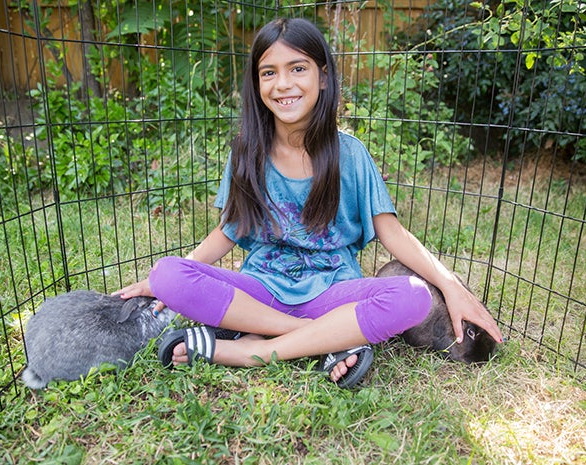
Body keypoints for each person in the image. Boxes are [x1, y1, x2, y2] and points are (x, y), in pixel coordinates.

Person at [115, 17, 503, 388]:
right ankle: (321, 340)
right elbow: (227, 230)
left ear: (323, 75)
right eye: (269, 72)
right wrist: (159, 282)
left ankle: (254, 349)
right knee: (169, 274)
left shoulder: (349, 155)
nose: (283, 84)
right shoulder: (245, 154)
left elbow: (394, 235)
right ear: (256, 83)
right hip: (260, 290)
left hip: (332, 293)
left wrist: (450, 286)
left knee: (414, 296)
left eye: (297, 68)